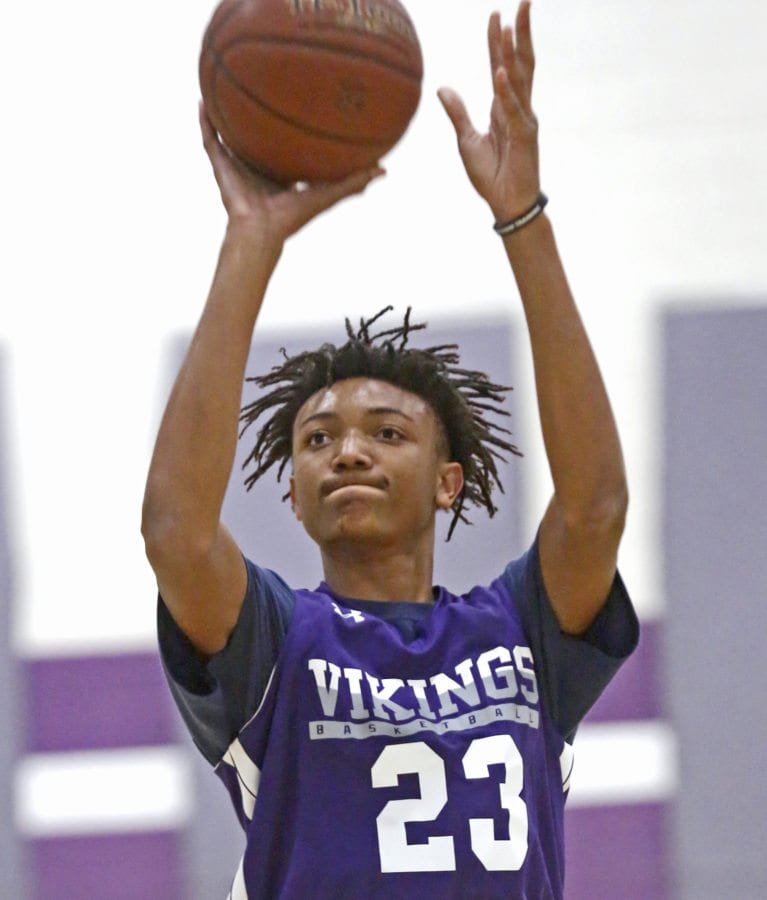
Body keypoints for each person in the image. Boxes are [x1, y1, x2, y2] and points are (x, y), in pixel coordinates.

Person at [142, 3, 638, 897]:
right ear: (291, 493)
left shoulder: (518, 632)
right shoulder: (277, 646)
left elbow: (595, 507)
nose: (348, 453)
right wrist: (251, 240)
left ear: (448, 482)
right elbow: (176, 530)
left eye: (387, 433)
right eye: (318, 440)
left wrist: (521, 217)